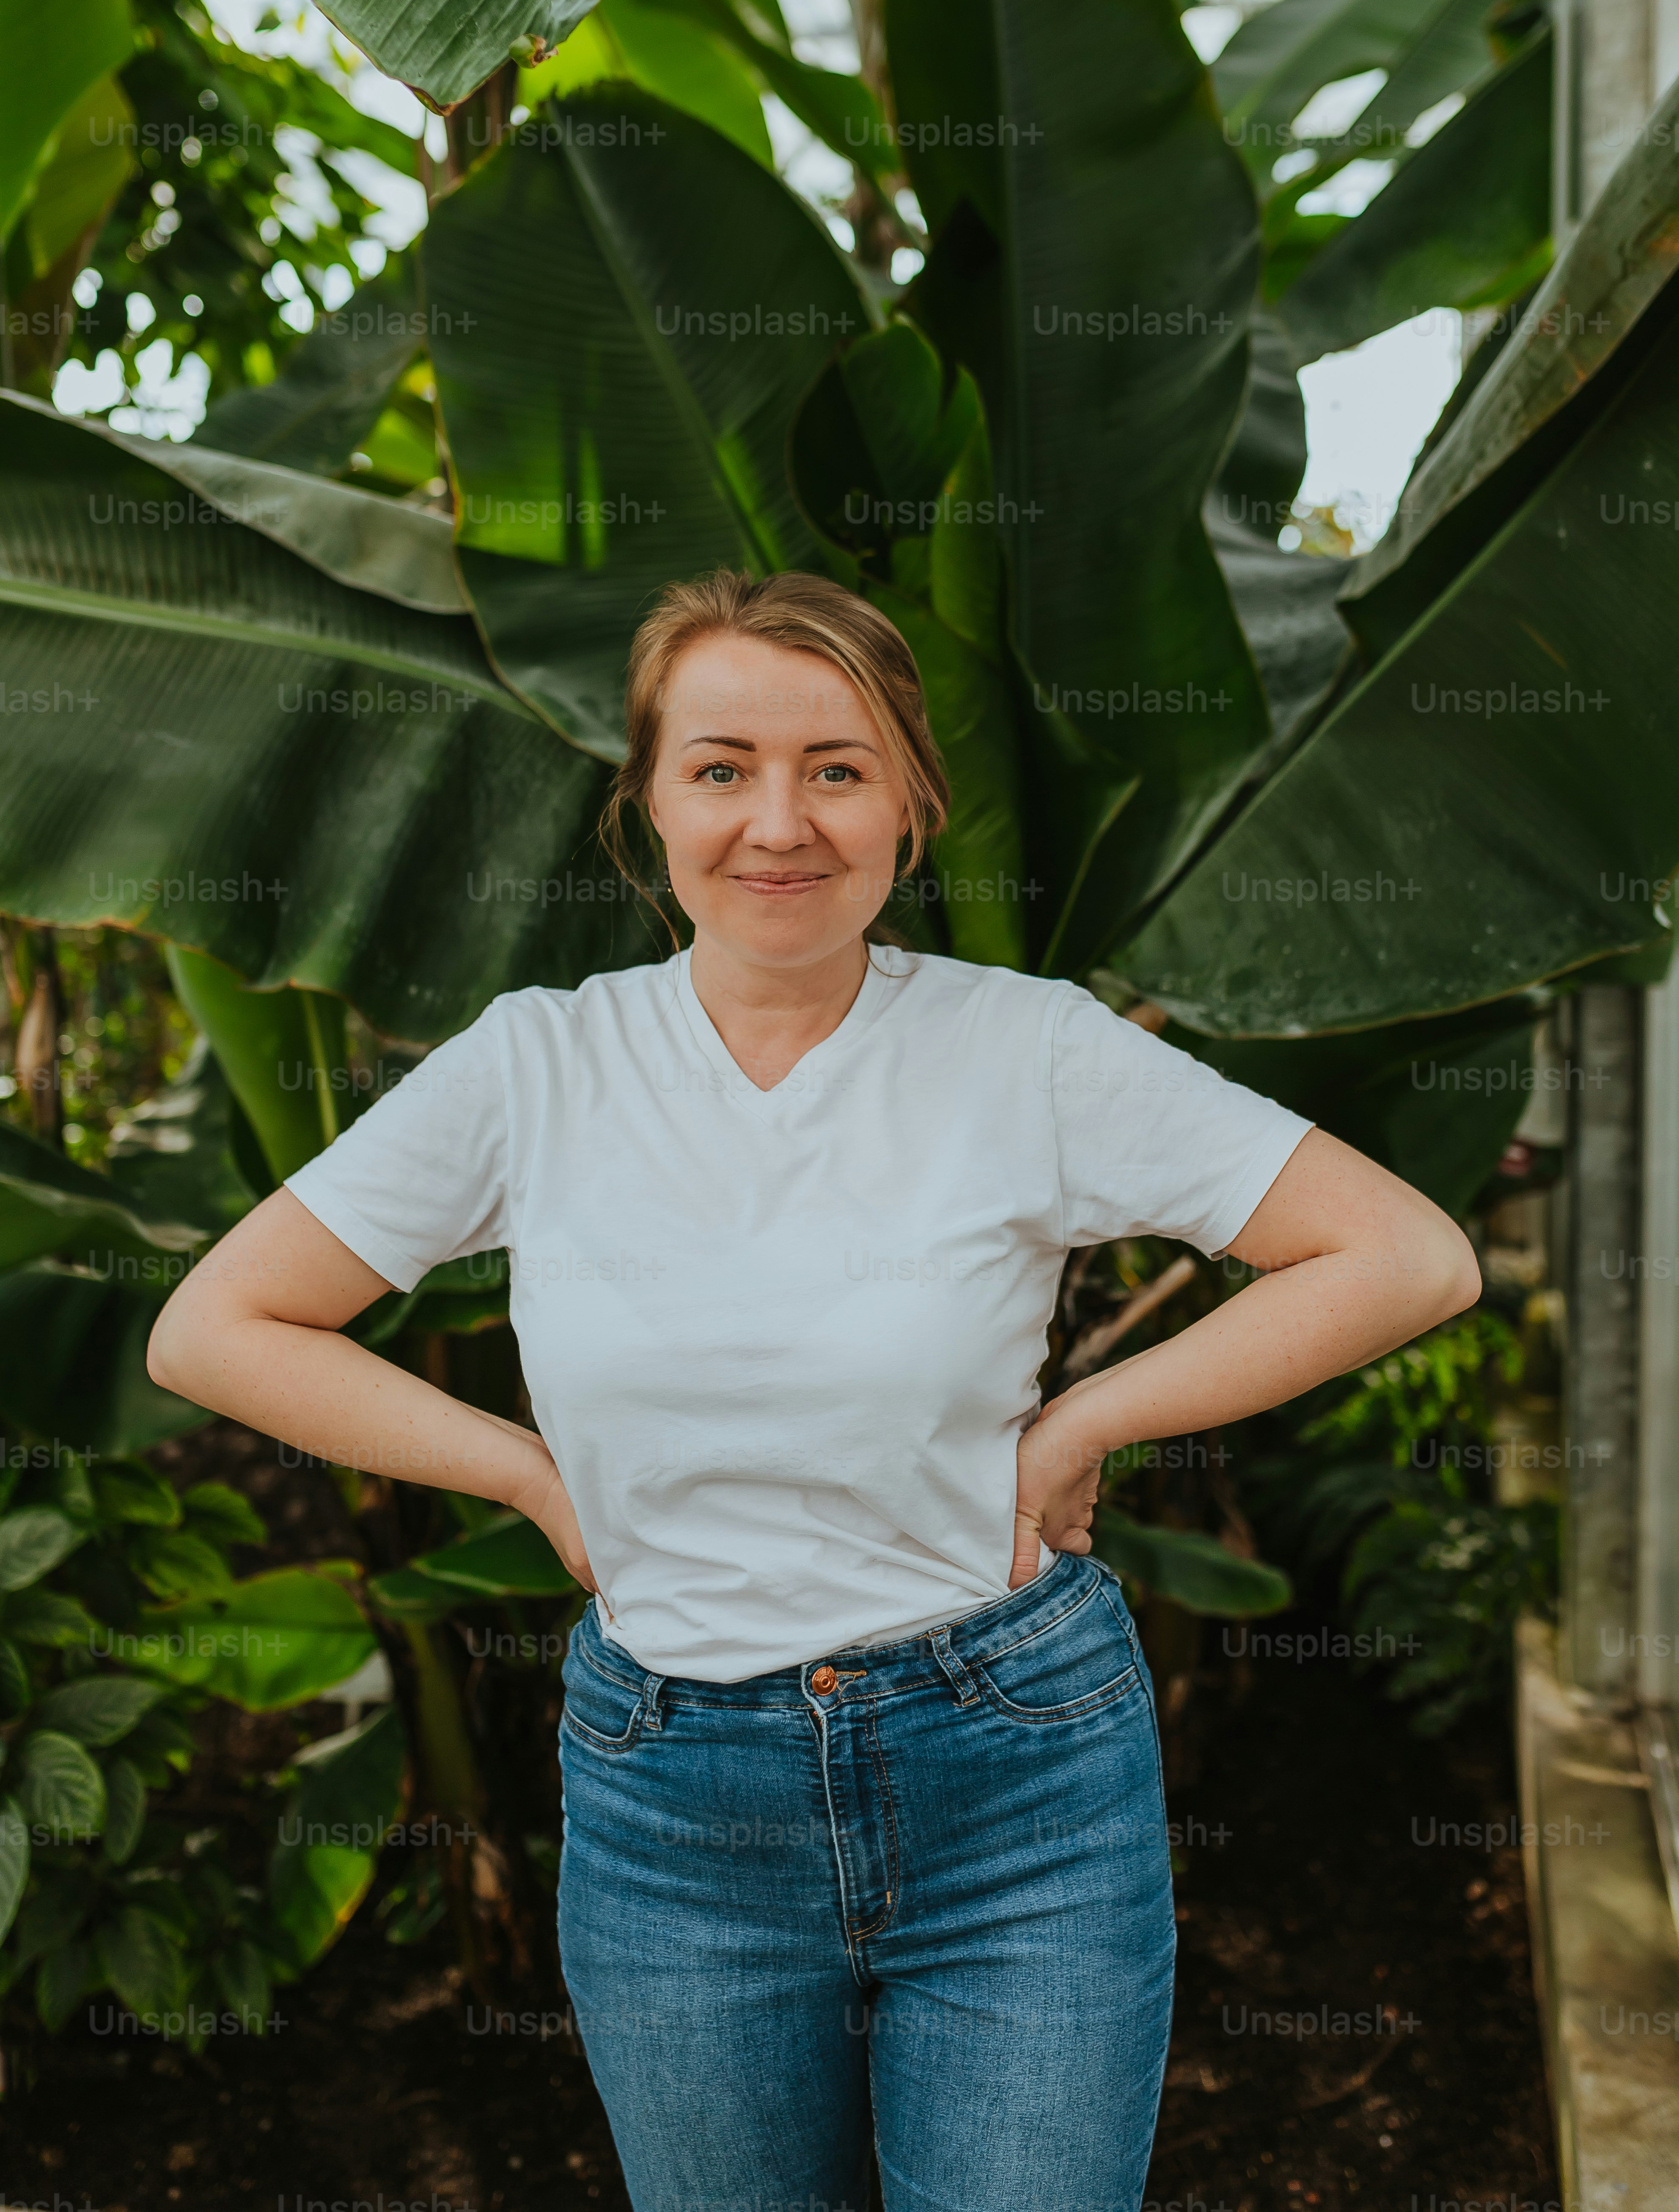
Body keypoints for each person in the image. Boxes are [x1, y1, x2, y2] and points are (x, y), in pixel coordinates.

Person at [149, 569, 1479, 2212]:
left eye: (837, 768)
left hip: (1017, 1781)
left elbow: (1407, 1255)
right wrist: (529, 1476)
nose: (779, 820)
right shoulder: (537, 1065)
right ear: (648, 801)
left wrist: (1087, 1418)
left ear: (913, 803)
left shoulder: (1030, 1050)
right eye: (720, 767)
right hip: (674, 1804)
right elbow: (216, 1326)